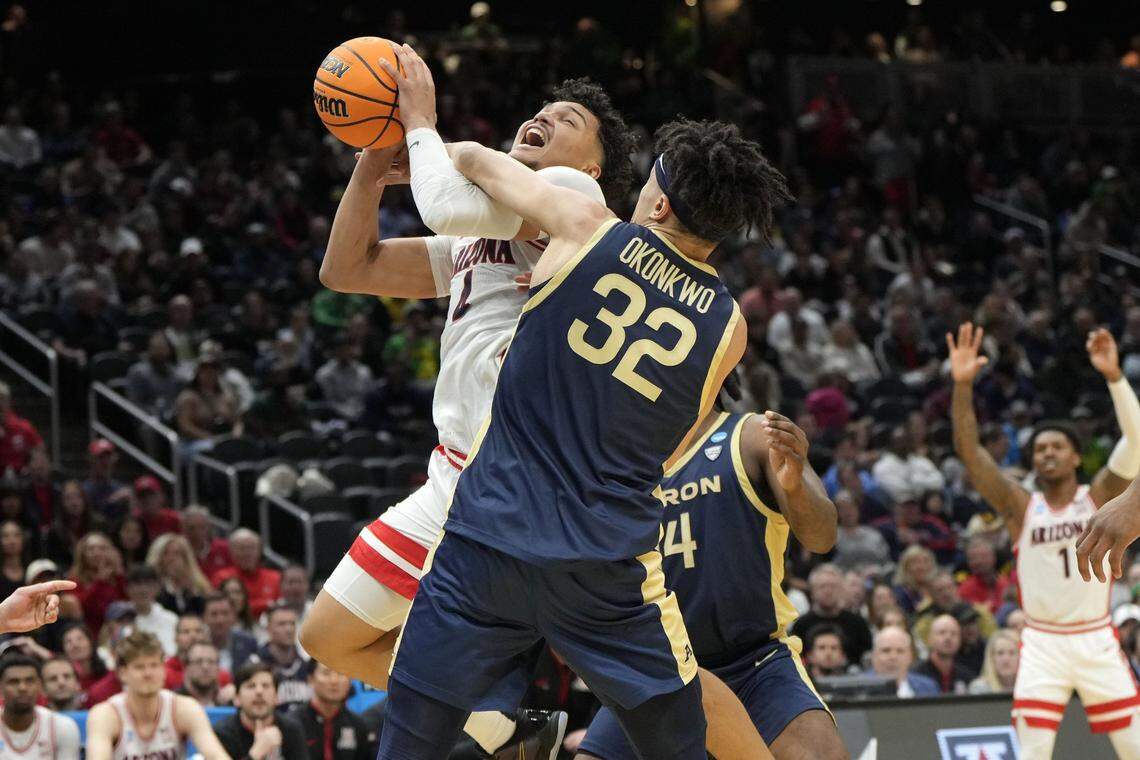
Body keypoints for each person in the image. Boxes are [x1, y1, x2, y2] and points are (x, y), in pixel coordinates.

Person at [371, 44, 791, 759]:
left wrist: (427, 129)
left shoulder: (585, 227)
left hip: (489, 536)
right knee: (679, 741)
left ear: (656, 202)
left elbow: (458, 180)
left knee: (412, 734)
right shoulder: (731, 326)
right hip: (607, 566)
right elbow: (670, 439)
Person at [303, 51, 635, 759]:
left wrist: (419, 120)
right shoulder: (479, 238)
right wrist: (370, 166)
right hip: (454, 476)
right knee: (326, 637)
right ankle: (503, 729)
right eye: (541, 111)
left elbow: (447, 201)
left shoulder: (572, 199)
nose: (543, 119)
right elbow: (346, 268)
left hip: (525, 485)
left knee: (641, 679)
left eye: (567, 119)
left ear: (595, 166)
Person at [578, 408, 846, 760]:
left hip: (752, 663)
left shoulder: (751, 434)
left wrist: (795, 488)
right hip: (654, 670)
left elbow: (821, 538)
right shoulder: (617, 459)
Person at [951, 323, 1140, 756]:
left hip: (1097, 636)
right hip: (1041, 642)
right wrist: (962, 386)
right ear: (1032, 460)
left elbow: (1136, 440)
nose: (1048, 453)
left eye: (1057, 446)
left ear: (1076, 456)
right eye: (1039, 449)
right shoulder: (1022, 506)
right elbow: (971, 454)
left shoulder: (1099, 495)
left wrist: (1114, 376)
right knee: (1032, 753)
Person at [85, 630, 230, 760]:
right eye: (139, 667)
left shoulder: (184, 708)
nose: (148, 674)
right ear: (122, 673)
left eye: (154, 665)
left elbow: (216, 755)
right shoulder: (105, 715)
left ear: (164, 669)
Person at [214, 662, 307, 760]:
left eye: (266, 686)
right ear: (237, 698)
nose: (259, 691)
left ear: (277, 697)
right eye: (251, 686)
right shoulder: (223, 733)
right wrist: (255, 754)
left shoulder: (292, 730)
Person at [0, 652, 81, 759]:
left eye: (29, 681)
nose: (22, 688)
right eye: (13, 682)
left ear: (40, 686)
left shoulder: (63, 727)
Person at [289, 662, 376, 760]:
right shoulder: (292, 724)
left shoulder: (359, 725)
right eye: (326, 673)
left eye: (341, 673)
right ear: (310, 679)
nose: (334, 681)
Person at [790, 564, 873, 666]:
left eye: (833, 586)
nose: (828, 591)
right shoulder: (801, 625)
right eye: (822, 586)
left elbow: (867, 657)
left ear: (842, 590)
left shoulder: (858, 623)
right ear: (812, 591)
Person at [211, 529, 279, 619]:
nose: (247, 553)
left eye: (251, 548)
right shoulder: (222, 577)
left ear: (260, 551)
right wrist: (265, 604)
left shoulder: (275, 577)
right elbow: (226, 608)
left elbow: (280, 606)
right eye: (241, 548)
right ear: (231, 552)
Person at [257, 604, 310, 708]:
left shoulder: (307, 664)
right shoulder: (255, 664)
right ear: (268, 628)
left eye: (292, 623)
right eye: (282, 624)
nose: (289, 629)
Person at [147, 534, 211, 617]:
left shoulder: (197, 587)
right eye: (166, 553)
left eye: (177, 554)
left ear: (186, 558)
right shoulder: (151, 587)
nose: (171, 558)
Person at [869, 626, 940, 698]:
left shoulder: (928, 687)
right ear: (874, 656)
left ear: (910, 657)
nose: (893, 657)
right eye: (886, 651)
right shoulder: (859, 688)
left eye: (900, 651)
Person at [125, 565, 178, 656]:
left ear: (157, 588)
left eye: (148, 584)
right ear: (128, 588)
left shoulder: (171, 619)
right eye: (138, 584)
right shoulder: (120, 619)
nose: (143, 590)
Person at [913, 614, 972, 694]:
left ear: (960, 640)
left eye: (954, 634)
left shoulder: (967, 677)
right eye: (942, 633)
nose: (948, 638)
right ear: (930, 639)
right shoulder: (915, 674)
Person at [203, 592, 257, 674]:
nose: (220, 620)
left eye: (225, 613)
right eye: (214, 614)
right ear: (204, 618)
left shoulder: (248, 642)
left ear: (234, 617)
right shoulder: (198, 645)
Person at [957, 537, 1010, 614]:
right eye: (973, 558)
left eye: (983, 557)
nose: (979, 561)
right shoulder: (965, 590)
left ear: (993, 557)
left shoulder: (1006, 582)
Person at [177, 642, 233, 707]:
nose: (205, 667)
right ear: (187, 667)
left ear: (218, 667)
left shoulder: (230, 701)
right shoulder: (175, 702)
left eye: (211, 662)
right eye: (198, 661)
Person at [969, 629, 1021, 694]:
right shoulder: (979, 688)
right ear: (991, 658)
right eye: (1000, 653)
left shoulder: (1031, 687)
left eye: (1012, 653)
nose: (1006, 659)